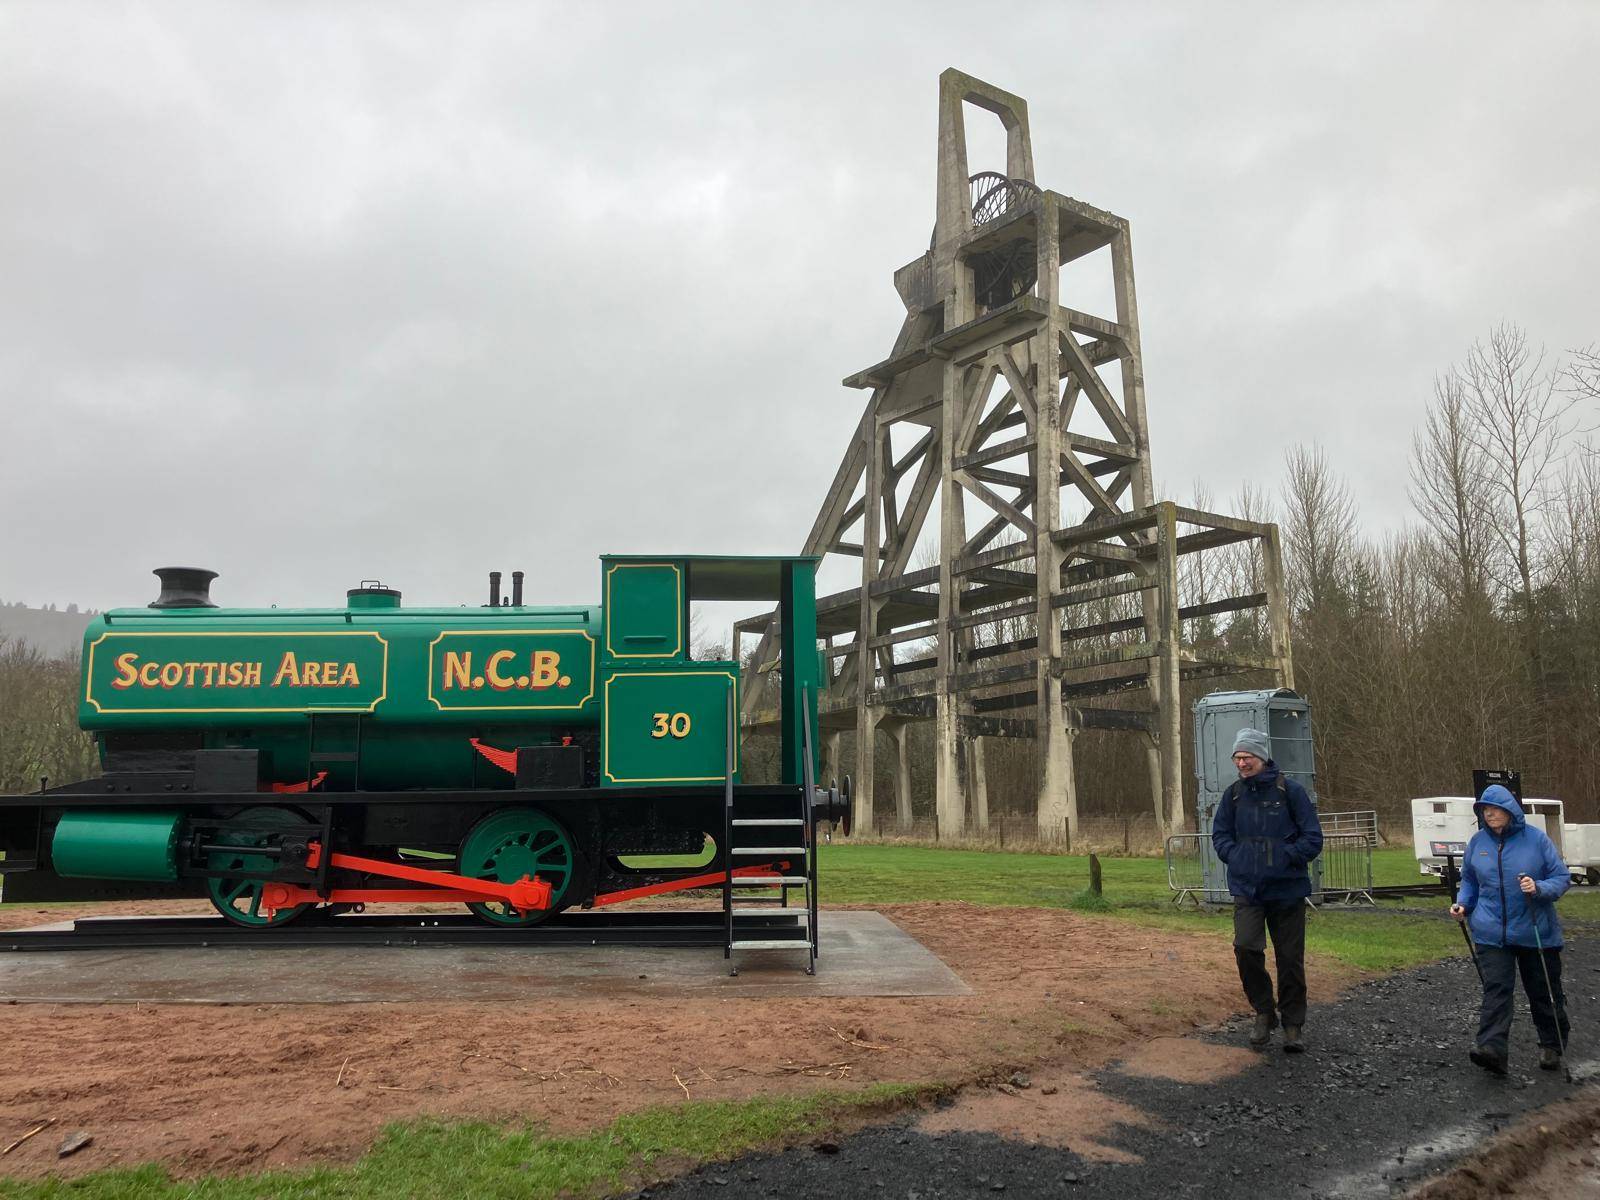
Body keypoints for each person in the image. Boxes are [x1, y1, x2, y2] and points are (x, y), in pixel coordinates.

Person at [1210, 727, 1324, 1052]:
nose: (1242, 763)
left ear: (1261, 757)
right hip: (1248, 888)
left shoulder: (1291, 792)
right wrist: (1237, 856)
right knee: (1246, 949)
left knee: (1290, 958)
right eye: (1237, 758)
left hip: (1287, 890)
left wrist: (1285, 857)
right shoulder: (1233, 796)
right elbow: (1220, 835)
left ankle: (1292, 1024)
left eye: (1247, 757)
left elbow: (1312, 837)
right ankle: (1263, 1011)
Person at [1450, 784, 1571, 1074]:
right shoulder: (1478, 843)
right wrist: (1463, 904)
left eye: (1494, 809)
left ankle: (1552, 1045)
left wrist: (1538, 886)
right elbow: (1469, 880)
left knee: (1543, 991)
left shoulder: (1537, 841)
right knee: (1496, 990)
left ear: (1510, 811)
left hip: (1534, 930)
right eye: (1484, 810)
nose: (1489, 814)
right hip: (1491, 931)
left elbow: (1561, 877)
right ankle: (1492, 1049)